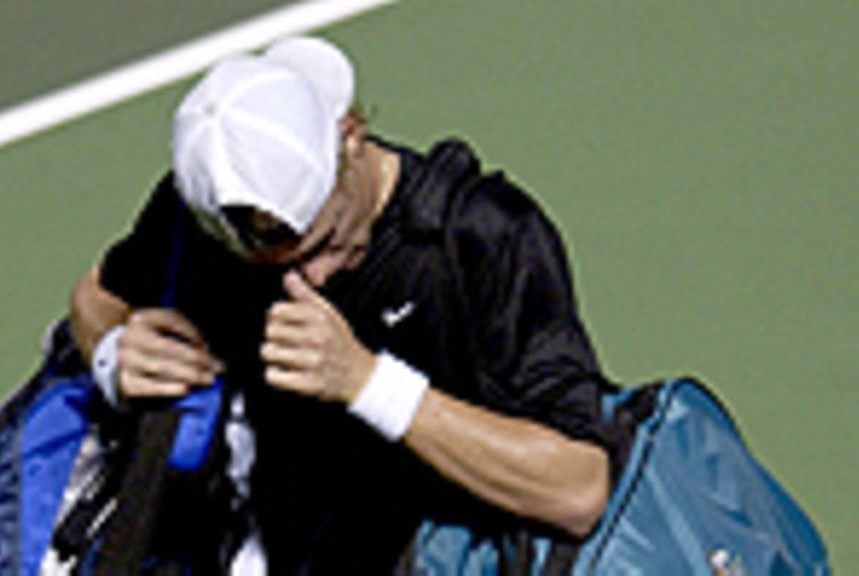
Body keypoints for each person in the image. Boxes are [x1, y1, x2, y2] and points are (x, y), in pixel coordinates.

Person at [69, 36, 618, 574]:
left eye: (325, 242)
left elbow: (577, 490)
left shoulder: (481, 237)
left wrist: (364, 381)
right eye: (276, 266)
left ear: (350, 133)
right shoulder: (212, 218)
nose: (309, 280)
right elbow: (97, 296)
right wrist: (114, 353)